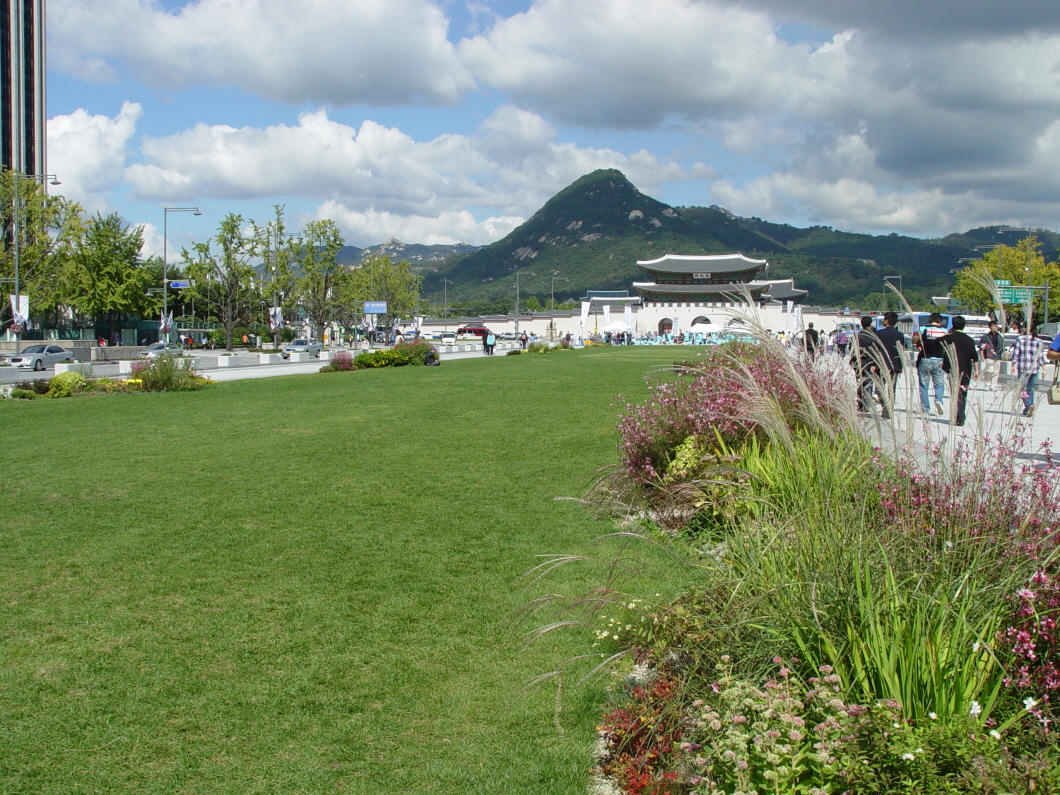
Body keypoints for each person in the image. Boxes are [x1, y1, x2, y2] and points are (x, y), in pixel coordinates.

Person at [941, 315, 979, 427]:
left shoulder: (949, 338)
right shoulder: (970, 340)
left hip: (953, 370)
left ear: (953, 325)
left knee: (955, 394)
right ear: (964, 325)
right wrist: (977, 370)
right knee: (963, 394)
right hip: (966, 371)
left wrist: (948, 333)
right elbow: (975, 357)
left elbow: (937, 341)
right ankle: (960, 417)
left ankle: (957, 416)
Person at [913, 312, 948, 416]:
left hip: (925, 359)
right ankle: (938, 400)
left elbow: (914, 341)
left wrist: (919, 335)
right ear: (940, 321)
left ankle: (925, 408)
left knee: (924, 386)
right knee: (939, 384)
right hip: (939, 361)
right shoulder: (944, 331)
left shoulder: (923, 329)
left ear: (929, 320)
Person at [851, 316, 887, 414]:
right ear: (870, 324)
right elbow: (878, 350)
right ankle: (866, 403)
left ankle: (862, 403)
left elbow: (852, 350)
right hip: (870, 362)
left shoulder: (857, 336)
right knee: (868, 383)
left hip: (859, 362)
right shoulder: (874, 336)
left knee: (861, 382)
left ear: (861, 324)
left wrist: (853, 362)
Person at [874, 311, 907, 419]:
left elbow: (876, 350)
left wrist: (874, 364)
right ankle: (889, 410)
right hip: (895, 366)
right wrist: (900, 366)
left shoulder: (879, 333)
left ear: (887, 320)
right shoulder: (900, 335)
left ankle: (884, 405)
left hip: (881, 364)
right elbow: (901, 351)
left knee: (879, 388)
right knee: (892, 389)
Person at [1010, 324, 1047, 417]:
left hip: (1023, 367)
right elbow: (1040, 356)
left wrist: (1013, 364)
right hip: (1034, 368)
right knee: (1030, 388)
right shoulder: (1038, 341)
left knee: (1022, 388)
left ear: (1026, 328)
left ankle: (1029, 405)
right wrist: (1044, 369)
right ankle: (1028, 408)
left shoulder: (1020, 339)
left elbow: (1016, 354)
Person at [978, 320, 1004, 389]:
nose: (994, 328)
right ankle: (987, 384)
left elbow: (1002, 346)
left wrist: (1004, 354)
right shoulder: (986, 336)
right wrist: (982, 355)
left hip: (997, 355)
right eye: (993, 326)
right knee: (990, 370)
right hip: (989, 355)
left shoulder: (999, 336)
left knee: (996, 371)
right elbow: (982, 346)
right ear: (989, 327)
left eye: (995, 326)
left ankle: (993, 385)